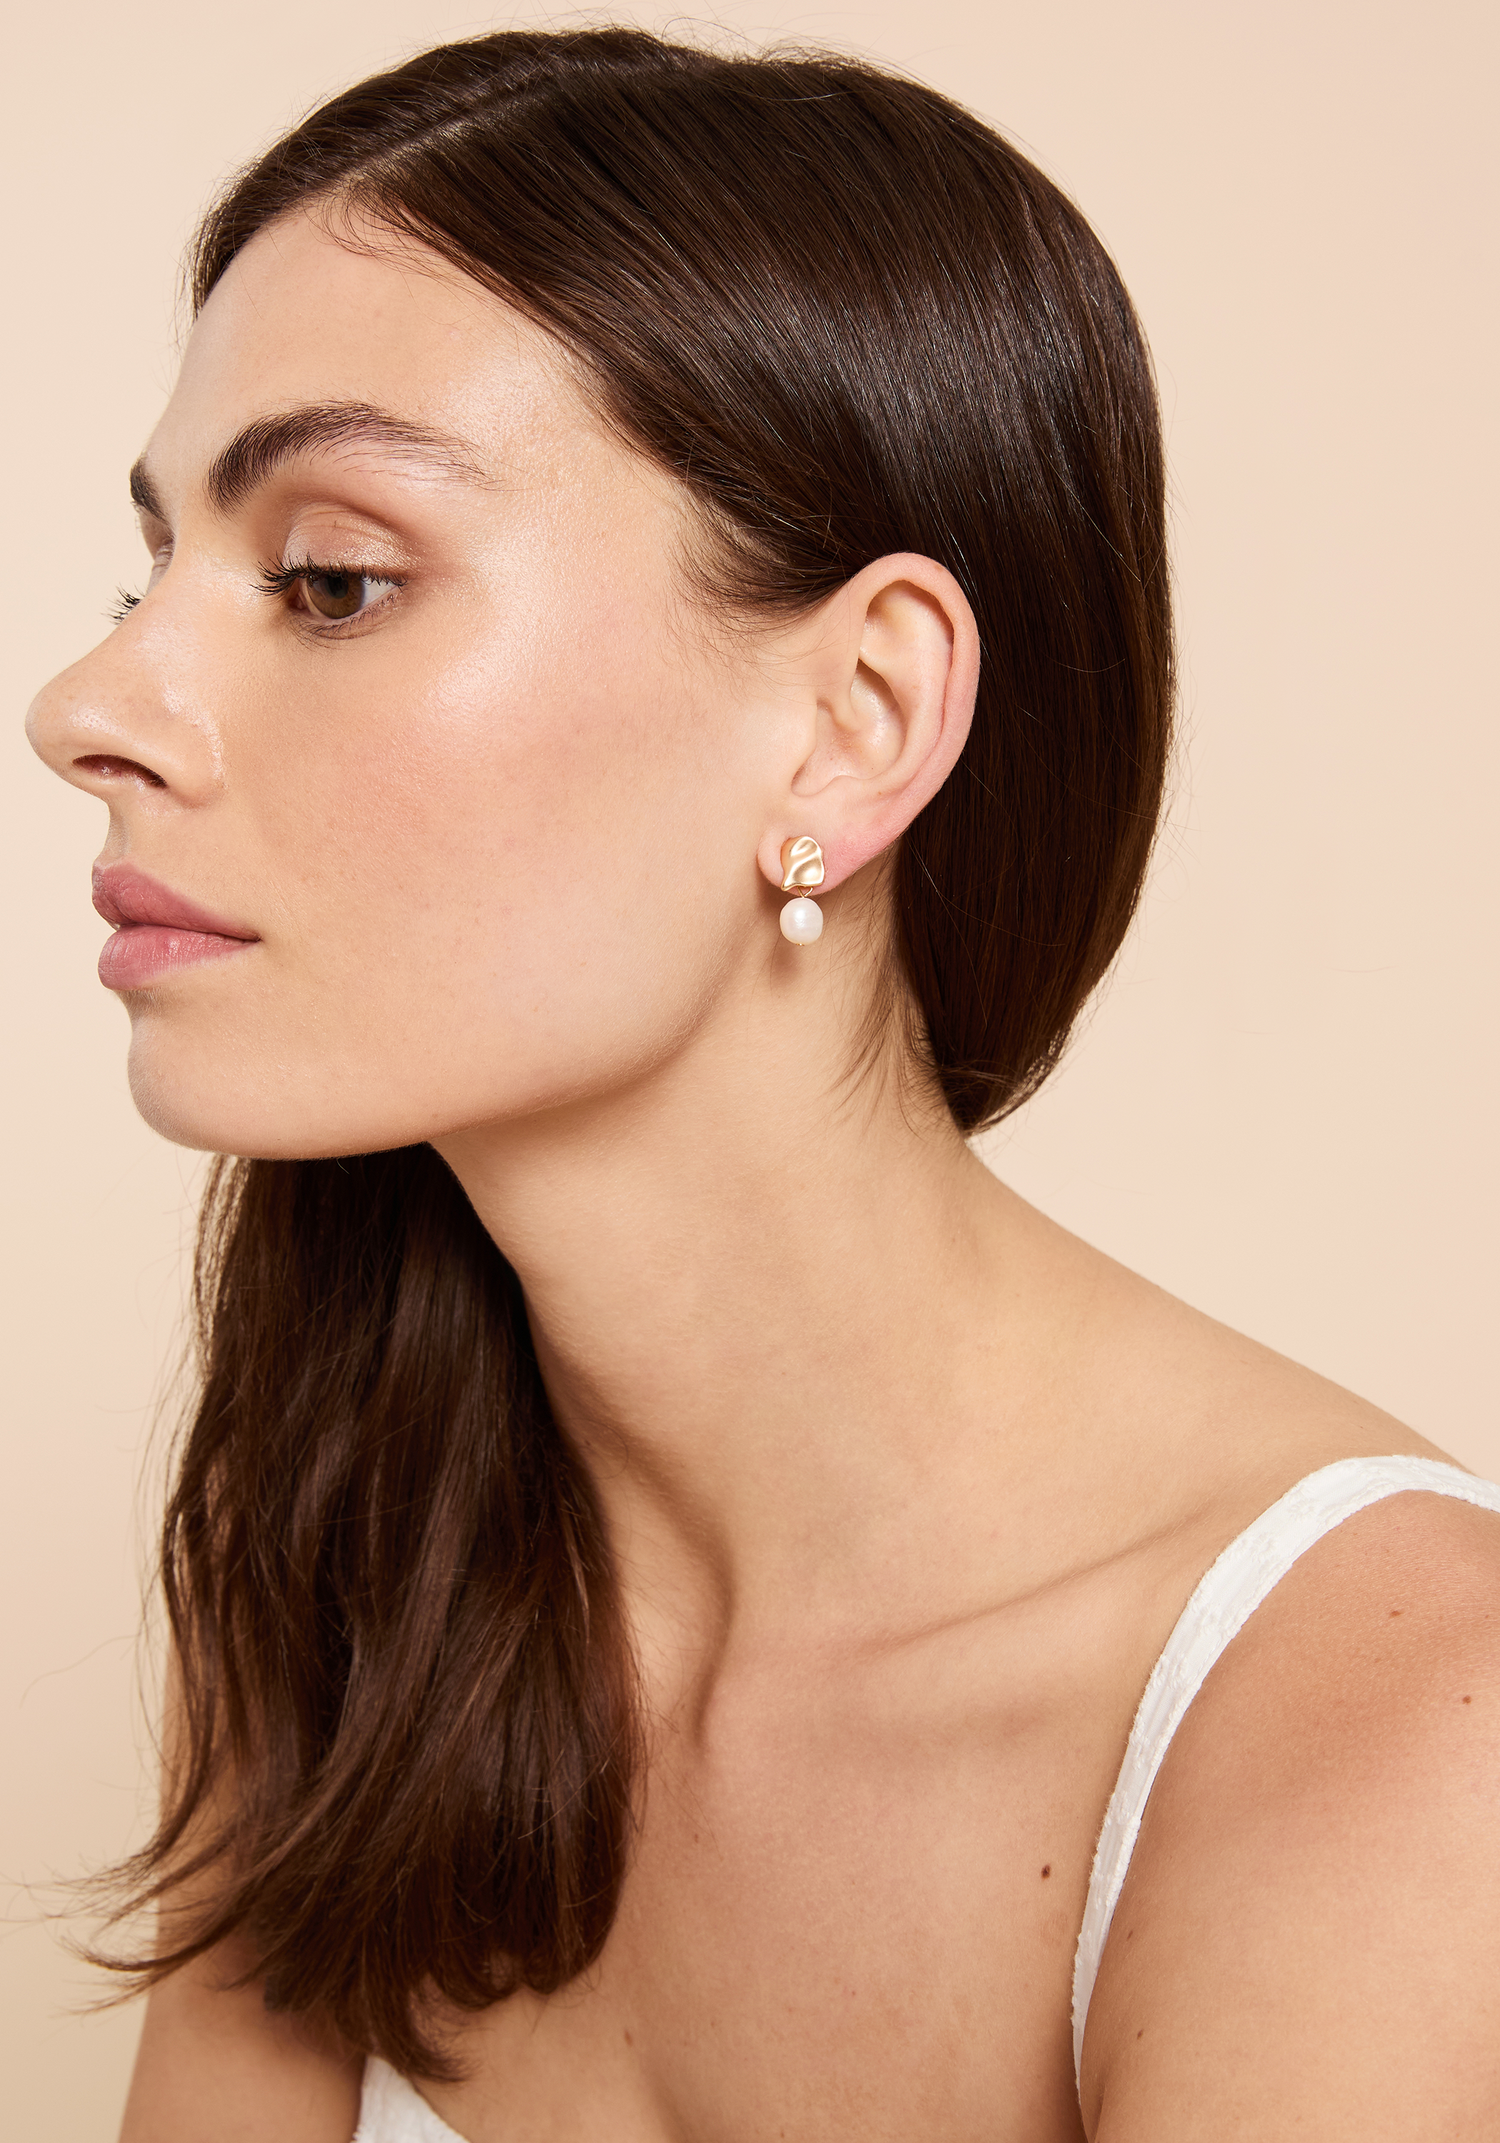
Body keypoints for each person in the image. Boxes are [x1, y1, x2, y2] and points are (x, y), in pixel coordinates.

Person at [26, 27, 1500, 2143]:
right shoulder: (353, 1573)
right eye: (146, 569)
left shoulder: (1396, 1732)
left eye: (332, 580)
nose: (87, 703)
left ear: (853, 720)